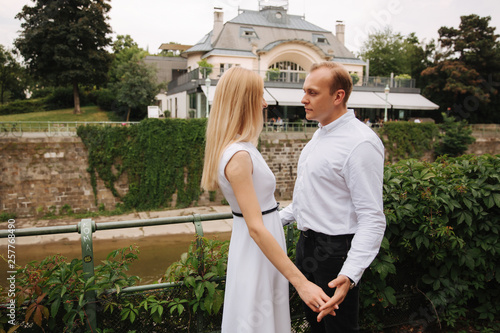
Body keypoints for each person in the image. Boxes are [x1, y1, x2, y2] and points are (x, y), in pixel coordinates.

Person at [201, 66, 331, 333]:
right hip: (258, 253)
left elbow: (263, 212)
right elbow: (256, 227)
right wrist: (300, 282)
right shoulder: (239, 156)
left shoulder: (241, 148)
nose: (265, 102)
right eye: (259, 95)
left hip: (257, 251)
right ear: (244, 101)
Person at [280, 62, 386, 332]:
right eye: (305, 91)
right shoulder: (320, 134)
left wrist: (349, 274)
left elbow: (372, 218)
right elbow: (311, 198)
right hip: (306, 246)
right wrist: (269, 220)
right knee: (315, 325)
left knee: (338, 329)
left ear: (338, 96)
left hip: (335, 253)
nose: (303, 99)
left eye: (312, 93)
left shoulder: (360, 143)